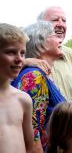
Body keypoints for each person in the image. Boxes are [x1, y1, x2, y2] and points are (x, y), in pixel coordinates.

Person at [11, 21, 66, 152]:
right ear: (40, 43)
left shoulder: (42, 75)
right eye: (54, 35)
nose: (60, 39)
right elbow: (33, 135)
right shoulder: (34, 77)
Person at [25, 6, 72, 102]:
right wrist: (24, 62)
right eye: (55, 20)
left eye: (64, 20)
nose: (61, 24)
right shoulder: (25, 59)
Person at [0, 23, 34, 153]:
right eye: (11, 52)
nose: (19, 59)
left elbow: (29, 147)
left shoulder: (23, 100)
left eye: (23, 53)